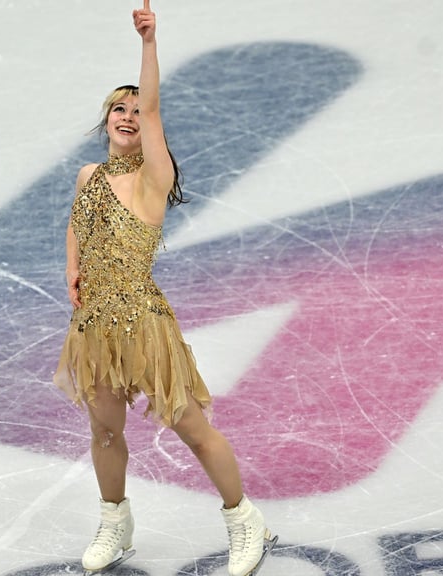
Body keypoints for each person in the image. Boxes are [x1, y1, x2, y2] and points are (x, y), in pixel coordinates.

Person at [53, 2, 277, 575]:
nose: (129, 115)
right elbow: (77, 222)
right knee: (105, 430)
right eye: (118, 108)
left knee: (192, 429)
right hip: (94, 323)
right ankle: (115, 521)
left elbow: (151, 107)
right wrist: (72, 267)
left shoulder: (155, 177)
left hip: (143, 322)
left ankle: (245, 520)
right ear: (105, 119)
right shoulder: (88, 176)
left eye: (136, 110)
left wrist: (149, 43)